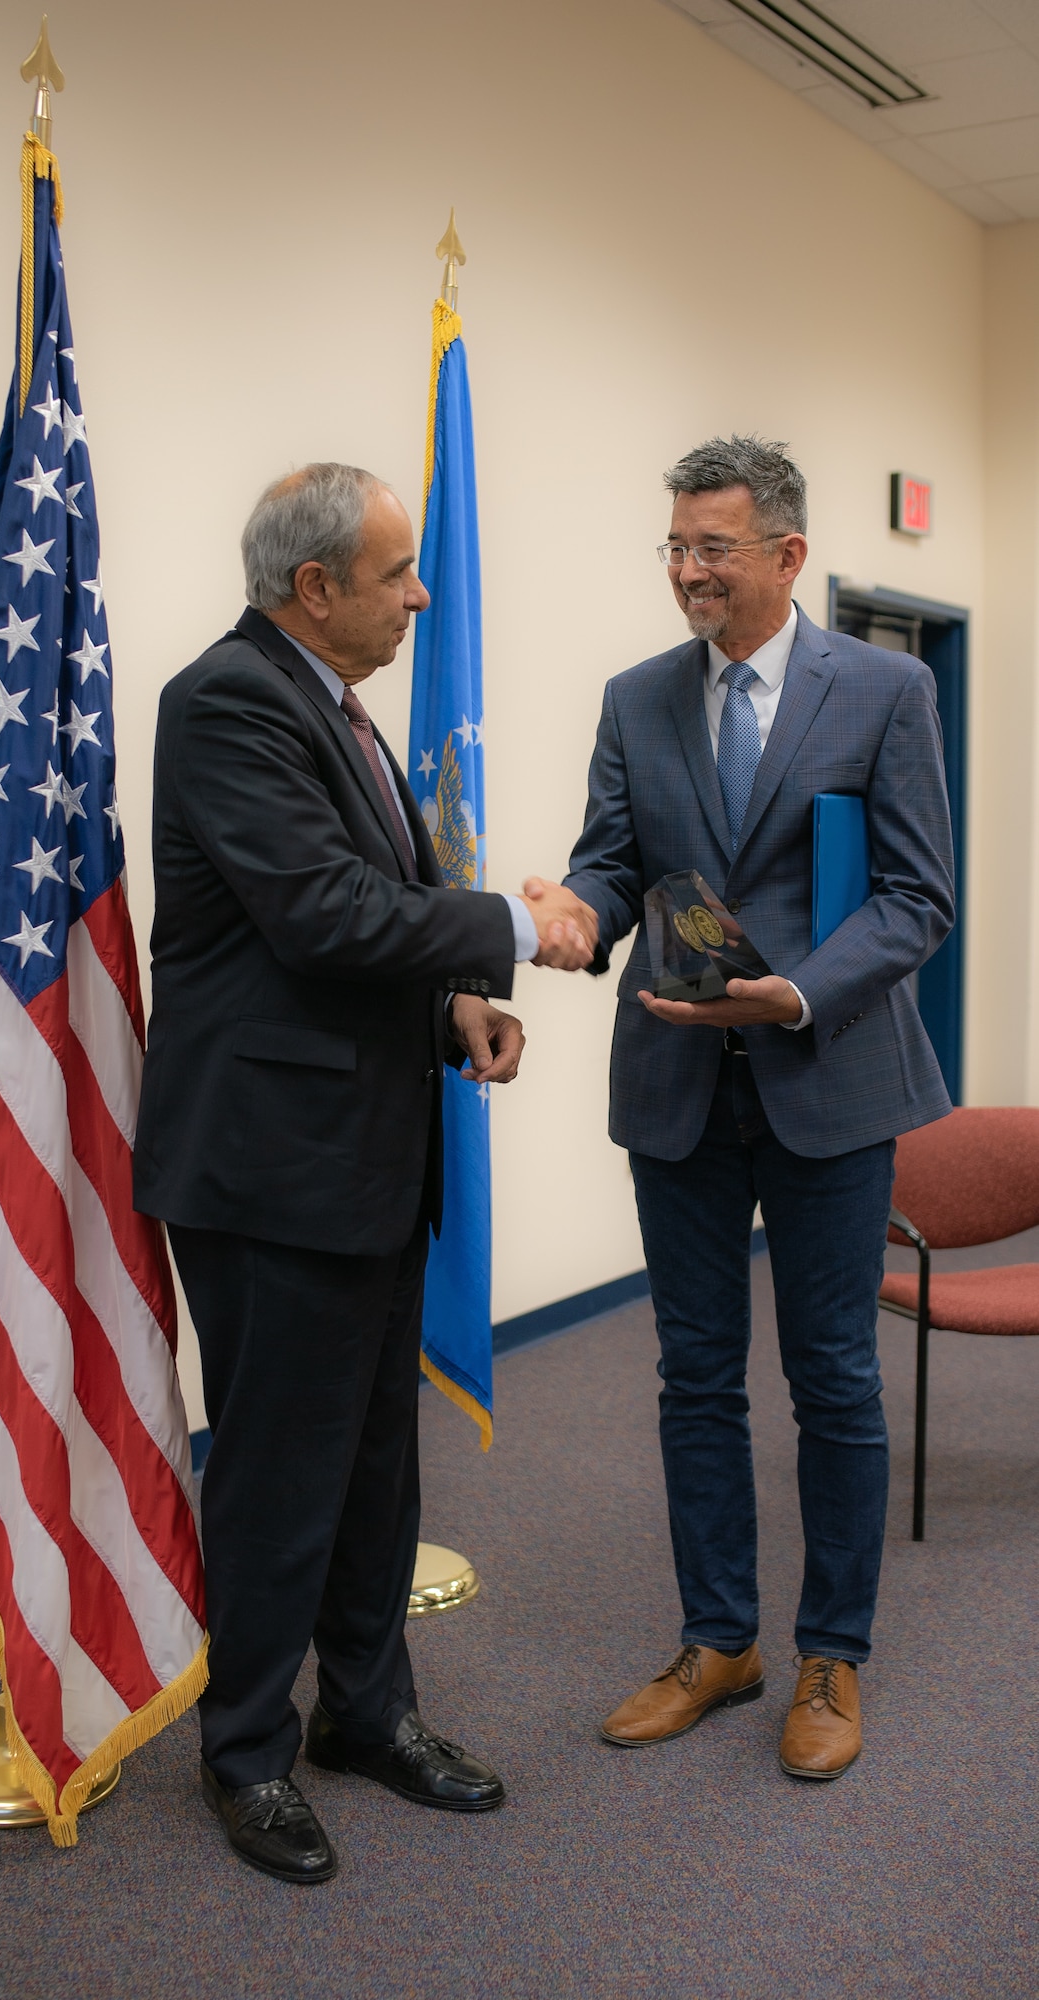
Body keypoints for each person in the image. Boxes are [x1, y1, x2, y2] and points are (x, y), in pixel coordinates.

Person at [133, 462, 597, 1883]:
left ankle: (368, 1717)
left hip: (363, 1155)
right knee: (279, 1473)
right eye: (398, 572)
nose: (422, 593)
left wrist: (454, 1000)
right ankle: (249, 1754)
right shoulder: (224, 700)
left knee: (372, 1466)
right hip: (272, 1171)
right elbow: (324, 916)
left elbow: (357, 924)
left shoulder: (333, 708)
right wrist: (510, 932)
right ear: (313, 586)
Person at [527, 435, 954, 1780]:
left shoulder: (882, 689)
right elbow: (613, 860)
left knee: (830, 1380)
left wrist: (797, 995)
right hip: (674, 1088)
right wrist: (572, 914)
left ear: (785, 555)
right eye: (673, 546)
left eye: (712, 547)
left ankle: (830, 1654)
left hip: (828, 1084)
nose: (688, 572)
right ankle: (719, 1640)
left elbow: (915, 898)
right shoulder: (634, 698)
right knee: (693, 1381)